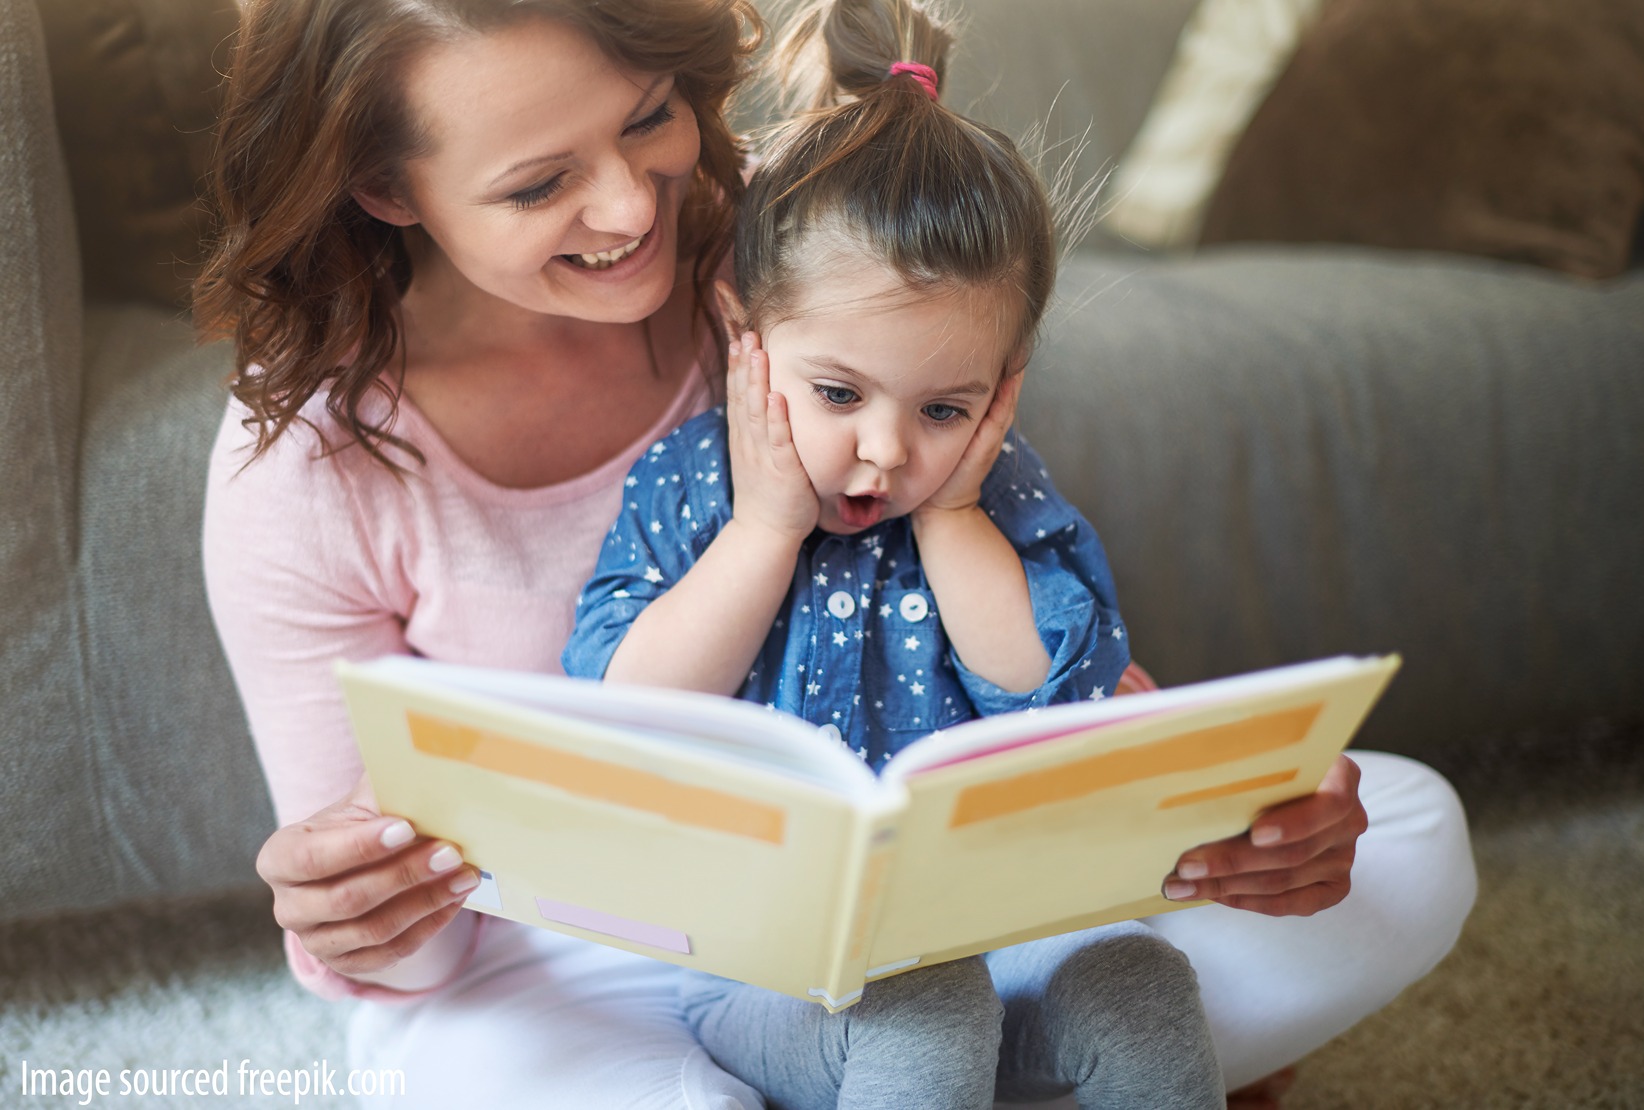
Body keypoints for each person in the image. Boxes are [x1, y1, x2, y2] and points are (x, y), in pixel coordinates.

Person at [195, 0, 1476, 1107]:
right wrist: (364, 912)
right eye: (539, 185)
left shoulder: (803, 245)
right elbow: (414, 940)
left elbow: (1007, 618)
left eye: (648, 117)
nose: (632, 206)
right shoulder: (308, 473)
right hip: (579, 957)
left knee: (1410, 835)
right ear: (387, 188)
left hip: (941, 907)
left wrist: (1223, 811)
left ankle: (955, 1061)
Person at [561, 1, 1225, 1105]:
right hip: (755, 966)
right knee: (919, 997)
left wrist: (957, 516)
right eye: (836, 394)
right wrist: (767, 528)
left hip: (993, 929)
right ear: (744, 331)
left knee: (1137, 979)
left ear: (1004, 386)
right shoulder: (691, 487)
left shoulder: (990, 494)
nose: (884, 452)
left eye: (944, 407)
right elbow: (624, 711)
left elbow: (1044, 688)